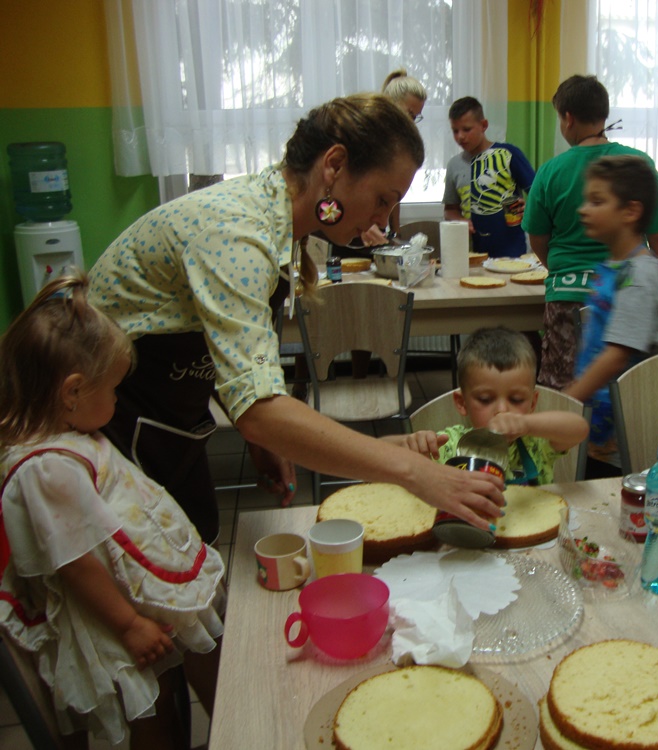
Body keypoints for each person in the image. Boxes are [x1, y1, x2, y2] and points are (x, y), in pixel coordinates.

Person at [88, 94, 505, 547]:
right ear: (335, 165)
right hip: (105, 421)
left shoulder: (283, 218)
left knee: (195, 544)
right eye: (382, 199)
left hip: (170, 422)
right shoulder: (237, 234)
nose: (382, 219)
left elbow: (229, 355)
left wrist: (264, 441)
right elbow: (261, 410)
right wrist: (416, 472)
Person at [0, 272, 224, 749]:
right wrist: (130, 624)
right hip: (111, 618)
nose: (118, 399)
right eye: (114, 388)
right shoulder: (47, 470)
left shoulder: (65, 436)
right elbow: (76, 562)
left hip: (129, 602)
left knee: (165, 697)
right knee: (150, 710)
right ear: (72, 392)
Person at [522, 75, 658, 390]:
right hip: (606, 295)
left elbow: (538, 239)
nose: (584, 210)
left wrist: (561, 269)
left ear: (568, 118)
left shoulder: (551, 170)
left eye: (595, 202)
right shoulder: (639, 164)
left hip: (565, 292)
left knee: (565, 387)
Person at [563, 155, 658, 477]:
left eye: (597, 201)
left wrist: (568, 400)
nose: (584, 209)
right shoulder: (622, 268)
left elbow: (616, 355)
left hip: (620, 430)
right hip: (601, 413)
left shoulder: (637, 276)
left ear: (630, 211)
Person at [387, 327, 589, 486]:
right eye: (485, 399)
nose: (502, 410)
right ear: (462, 403)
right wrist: (413, 443)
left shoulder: (537, 443)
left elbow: (579, 428)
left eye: (517, 400)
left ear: (533, 403)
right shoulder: (450, 445)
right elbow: (382, 448)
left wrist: (527, 424)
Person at [442, 97, 535, 258]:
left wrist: (529, 206)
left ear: (483, 125)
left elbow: (538, 194)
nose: (460, 137)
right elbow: (450, 210)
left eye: (466, 129)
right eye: (455, 131)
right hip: (472, 254)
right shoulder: (454, 165)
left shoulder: (509, 154)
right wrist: (459, 221)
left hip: (513, 252)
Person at [360, 69, 428, 246]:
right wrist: (362, 225)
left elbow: (394, 196)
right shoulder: (364, 138)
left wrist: (395, 232)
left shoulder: (399, 147)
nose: (411, 123)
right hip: (352, 229)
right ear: (389, 105)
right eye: (409, 115)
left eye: (415, 117)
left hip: (375, 232)